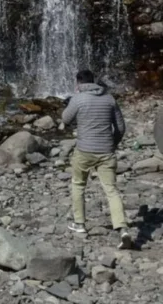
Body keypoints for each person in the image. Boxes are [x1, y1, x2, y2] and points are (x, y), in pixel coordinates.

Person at [62, 69, 133, 249]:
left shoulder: (78, 98)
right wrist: (112, 144)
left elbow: (65, 119)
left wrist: (71, 102)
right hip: (106, 151)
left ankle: (79, 225)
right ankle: (122, 228)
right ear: (94, 82)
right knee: (111, 190)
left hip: (84, 150)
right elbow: (121, 128)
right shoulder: (109, 99)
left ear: (78, 83)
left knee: (78, 185)